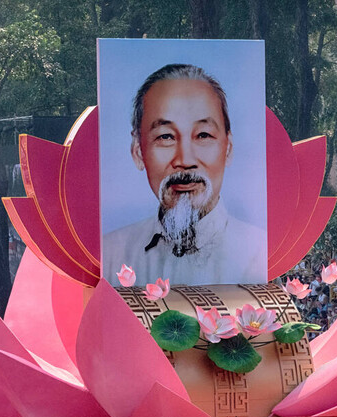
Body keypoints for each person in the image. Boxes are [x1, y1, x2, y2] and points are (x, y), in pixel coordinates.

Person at [102, 63, 265, 287]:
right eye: (166, 136)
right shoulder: (111, 255)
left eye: (203, 135)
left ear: (228, 148)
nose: (185, 160)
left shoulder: (260, 253)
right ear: (138, 151)